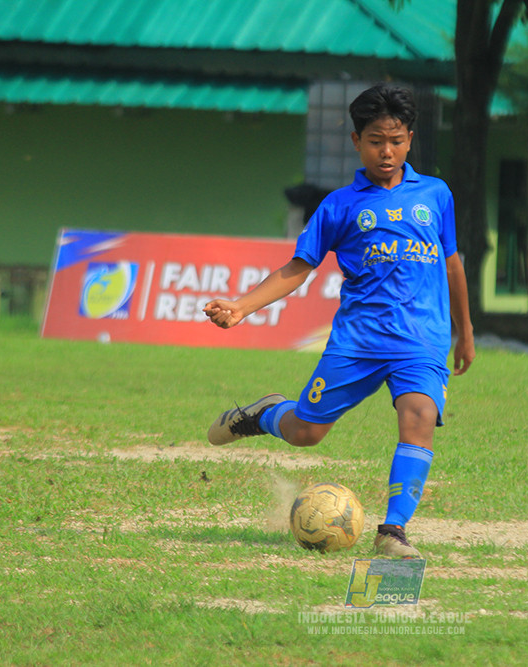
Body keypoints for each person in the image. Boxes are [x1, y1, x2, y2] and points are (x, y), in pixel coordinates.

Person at [203, 84, 475, 557]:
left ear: (410, 139)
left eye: (395, 140)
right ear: (356, 142)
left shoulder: (436, 195)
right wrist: (242, 306)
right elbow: (296, 269)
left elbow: (452, 264)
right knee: (306, 432)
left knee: (420, 417)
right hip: (358, 341)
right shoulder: (339, 206)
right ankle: (266, 413)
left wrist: (465, 331)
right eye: (375, 141)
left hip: (422, 341)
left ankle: (393, 532)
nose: (386, 152)